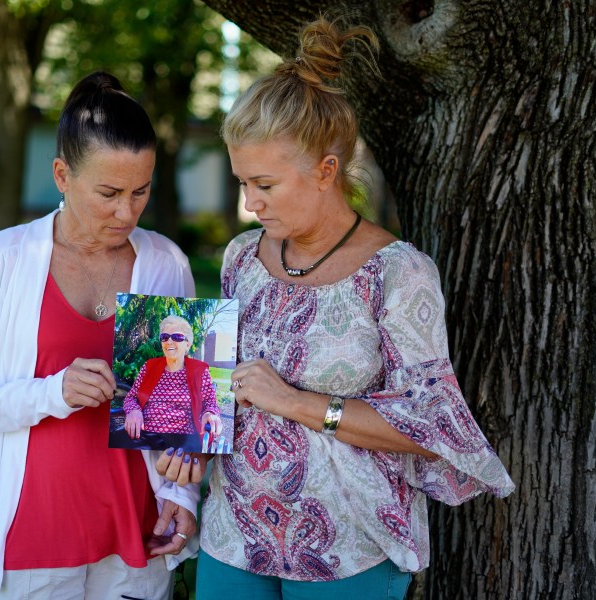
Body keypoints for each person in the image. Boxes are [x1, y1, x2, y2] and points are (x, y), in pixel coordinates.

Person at [156, 17, 515, 599]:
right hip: (233, 532)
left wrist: (296, 402)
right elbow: (216, 376)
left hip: (348, 549)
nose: (250, 205)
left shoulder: (398, 273)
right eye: (243, 183)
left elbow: (432, 422)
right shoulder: (242, 257)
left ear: (326, 170)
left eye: (265, 185)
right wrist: (190, 435)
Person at [0, 71, 200, 599]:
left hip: (136, 540)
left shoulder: (167, 264)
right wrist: (52, 392)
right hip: (29, 543)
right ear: (62, 174)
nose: (127, 211)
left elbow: (183, 412)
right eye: (109, 192)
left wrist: (183, 498)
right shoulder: (2, 260)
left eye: (141, 191)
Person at [111, 315, 223, 452]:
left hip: (183, 437)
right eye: (165, 337)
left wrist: (210, 413)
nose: (169, 341)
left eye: (177, 337)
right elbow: (131, 397)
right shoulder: (149, 367)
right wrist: (133, 410)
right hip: (144, 433)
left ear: (187, 343)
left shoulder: (199, 371)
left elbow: (210, 401)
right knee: (114, 441)